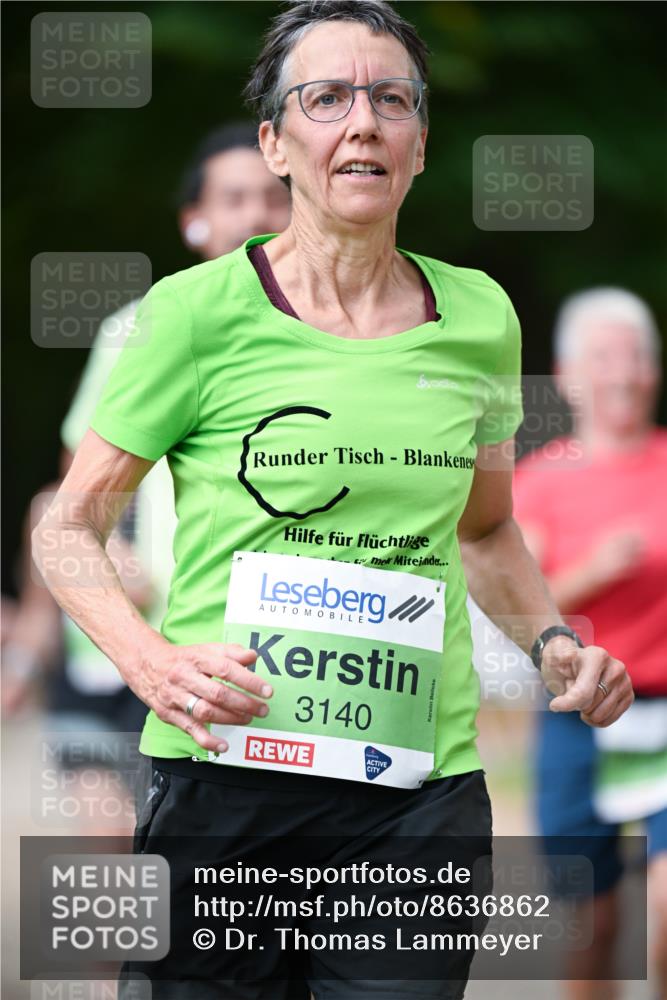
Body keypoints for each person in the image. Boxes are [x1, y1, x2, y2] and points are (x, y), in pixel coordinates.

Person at [32, 3, 633, 998]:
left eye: (390, 99)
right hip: (227, 776)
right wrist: (151, 662)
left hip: (415, 793)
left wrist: (553, 644)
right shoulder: (193, 314)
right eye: (325, 99)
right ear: (275, 142)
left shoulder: (479, 314)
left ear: (420, 144)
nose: (362, 121)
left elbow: (483, 528)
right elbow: (69, 525)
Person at [4, 122, 291, 830]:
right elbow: (68, 499)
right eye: (233, 199)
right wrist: (34, 642)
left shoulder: (326, 348)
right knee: (113, 864)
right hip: (115, 643)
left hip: (238, 652)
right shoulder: (137, 329)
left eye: (271, 198)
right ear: (195, 223)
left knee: (206, 891)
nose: (255, 215)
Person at [513, 287, 667, 1000]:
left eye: (635, 354)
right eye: (603, 355)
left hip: (664, 711)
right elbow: (519, 605)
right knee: (592, 926)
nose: (621, 371)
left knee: (666, 916)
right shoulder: (540, 480)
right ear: (568, 374)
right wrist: (595, 569)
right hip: (578, 716)